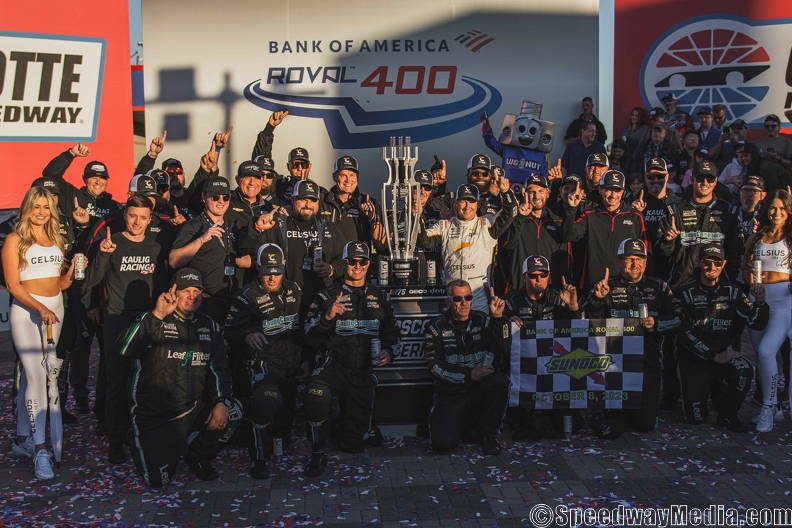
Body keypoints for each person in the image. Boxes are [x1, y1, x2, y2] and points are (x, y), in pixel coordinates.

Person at [118, 268, 239, 488]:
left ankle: (196, 456)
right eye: (186, 291)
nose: (192, 296)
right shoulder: (155, 318)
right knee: (158, 482)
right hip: (153, 416)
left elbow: (220, 369)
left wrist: (221, 401)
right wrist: (156, 315)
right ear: (174, 291)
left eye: (196, 290)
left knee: (233, 410)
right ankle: (137, 438)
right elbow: (124, 349)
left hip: (191, 409)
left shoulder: (209, 326)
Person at [2, 187, 85, 480]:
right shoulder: (15, 241)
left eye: (46, 207)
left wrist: (71, 273)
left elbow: (60, 285)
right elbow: (13, 285)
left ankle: (22, 440)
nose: (41, 212)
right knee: (36, 375)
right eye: (36, 206)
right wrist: (40, 308)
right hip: (27, 312)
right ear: (27, 208)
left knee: (42, 375)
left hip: (55, 309)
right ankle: (40, 451)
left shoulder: (57, 240)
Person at [301, 242, 401, 477]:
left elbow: (393, 333)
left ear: (369, 264)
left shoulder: (380, 297)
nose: (357, 267)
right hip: (332, 367)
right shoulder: (326, 296)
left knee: (354, 445)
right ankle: (317, 452)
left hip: (362, 371)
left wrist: (389, 351)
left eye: (362, 262)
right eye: (352, 262)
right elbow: (306, 335)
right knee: (316, 395)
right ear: (344, 264)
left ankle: (341, 423)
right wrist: (326, 317)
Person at [82, 194, 166, 464]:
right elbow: (92, 280)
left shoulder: (155, 248)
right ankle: (115, 441)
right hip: (116, 320)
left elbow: (160, 286)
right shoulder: (111, 242)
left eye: (143, 217)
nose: (137, 222)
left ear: (149, 219)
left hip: (146, 322)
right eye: (132, 216)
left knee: (144, 382)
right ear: (125, 216)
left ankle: (140, 435)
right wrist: (102, 255)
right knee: (117, 382)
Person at [224, 243, 305, 479]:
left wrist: (307, 361)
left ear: (284, 266)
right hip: (262, 366)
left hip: (290, 367)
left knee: (283, 436)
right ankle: (258, 459)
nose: (272, 276)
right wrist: (246, 336)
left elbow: (303, 331)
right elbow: (227, 333)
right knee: (265, 401)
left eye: (277, 270)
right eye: (267, 270)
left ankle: (271, 445)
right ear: (257, 268)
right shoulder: (244, 297)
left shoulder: (295, 289)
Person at [584, 239, 679, 437]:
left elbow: (677, 319)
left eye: (639, 259)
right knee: (616, 421)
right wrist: (597, 300)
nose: (634, 264)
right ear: (619, 262)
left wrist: (657, 323)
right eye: (629, 259)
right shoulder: (605, 286)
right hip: (615, 365)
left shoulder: (660, 287)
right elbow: (590, 325)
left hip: (648, 364)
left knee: (645, 425)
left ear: (645, 262)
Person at [674, 243, 768, 432]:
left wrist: (759, 302)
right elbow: (683, 333)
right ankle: (708, 391)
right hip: (695, 359)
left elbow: (755, 323)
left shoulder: (733, 292)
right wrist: (712, 355)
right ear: (699, 262)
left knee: (744, 370)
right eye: (707, 263)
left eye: (717, 263)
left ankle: (727, 414)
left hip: (723, 355)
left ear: (723, 264)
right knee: (696, 418)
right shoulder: (684, 293)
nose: (712, 268)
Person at [424, 280, 511, 455]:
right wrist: (469, 374)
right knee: (441, 445)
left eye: (468, 297)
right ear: (448, 302)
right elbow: (434, 367)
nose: (464, 303)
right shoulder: (435, 327)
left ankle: (490, 436)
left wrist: (499, 320)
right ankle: (463, 427)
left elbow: (504, 350)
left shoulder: (484, 320)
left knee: (500, 381)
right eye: (458, 298)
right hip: (451, 394)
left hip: (479, 390)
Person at [501, 255, 580, 440]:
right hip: (522, 371)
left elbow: (579, 334)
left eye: (543, 275)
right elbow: (498, 341)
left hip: (555, 369)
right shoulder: (509, 302)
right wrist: (505, 323)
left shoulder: (559, 298)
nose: (539, 280)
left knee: (573, 423)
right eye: (533, 275)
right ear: (524, 277)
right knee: (520, 423)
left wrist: (573, 307)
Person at [241, 179, 347, 314]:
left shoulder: (327, 226)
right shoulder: (278, 224)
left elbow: (346, 258)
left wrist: (332, 269)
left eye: (313, 200)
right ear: (292, 199)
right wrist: (257, 228)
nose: (308, 205)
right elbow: (245, 249)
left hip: (319, 303)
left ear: (318, 202)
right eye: (303, 199)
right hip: (284, 304)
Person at [417, 180, 517, 312]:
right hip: (453, 298)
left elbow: (511, 212)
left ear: (478, 204)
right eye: (463, 201)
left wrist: (505, 192)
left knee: (479, 329)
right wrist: (416, 216)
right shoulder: (445, 226)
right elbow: (424, 241)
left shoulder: (487, 224)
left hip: (479, 297)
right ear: (455, 203)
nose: (467, 206)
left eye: (471, 201)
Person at [743, 190, 792, 432]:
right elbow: (744, 269)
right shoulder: (755, 238)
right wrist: (751, 280)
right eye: (773, 208)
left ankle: (768, 407)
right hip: (758, 301)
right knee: (763, 360)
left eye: (782, 208)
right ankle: (774, 407)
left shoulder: (790, 237)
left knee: (765, 352)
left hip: (784, 302)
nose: (777, 213)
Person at [661, 161, 744, 290]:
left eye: (709, 179)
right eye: (700, 178)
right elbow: (663, 255)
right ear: (692, 179)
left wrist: (734, 283)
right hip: (681, 285)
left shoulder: (729, 211)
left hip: (718, 286)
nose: (705, 183)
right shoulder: (674, 210)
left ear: (716, 181)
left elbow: (736, 252)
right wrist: (668, 241)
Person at [562, 170, 649, 292]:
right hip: (593, 284)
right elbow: (568, 236)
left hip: (625, 285)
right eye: (608, 189)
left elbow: (646, 253)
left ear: (623, 192)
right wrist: (571, 209)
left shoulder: (635, 216)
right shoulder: (589, 215)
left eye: (617, 190)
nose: (613, 195)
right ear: (600, 190)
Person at [169, 176, 241, 322]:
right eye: (215, 197)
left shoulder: (234, 225)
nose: (221, 201)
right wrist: (201, 239)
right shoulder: (193, 226)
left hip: (233, 300)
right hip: (206, 302)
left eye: (225, 197)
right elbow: (173, 260)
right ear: (203, 198)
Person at [503, 176, 568, 293]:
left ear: (548, 193)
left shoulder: (559, 223)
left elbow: (564, 262)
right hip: (519, 292)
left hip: (550, 292)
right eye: (532, 192)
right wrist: (520, 218)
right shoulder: (516, 219)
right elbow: (507, 246)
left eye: (541, 191)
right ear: (524, 193)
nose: (536, 196)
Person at [319, 156, 385, 250]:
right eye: (343, 175)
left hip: (356, 263)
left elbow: (381, 244)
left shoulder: (369, 203)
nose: (348, 180)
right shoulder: (321, 201)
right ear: (334, 177)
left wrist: (373, 219)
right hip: (327, 263)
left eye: (352, 175)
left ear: (357, 177)